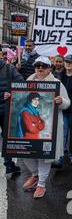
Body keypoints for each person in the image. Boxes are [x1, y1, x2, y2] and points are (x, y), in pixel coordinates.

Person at [17, 56, 70, 198]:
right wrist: (12, 96)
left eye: (44, 66)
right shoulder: (28, 81)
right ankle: (35, 175)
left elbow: (68, 103)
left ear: (49, 68)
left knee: (44, 156)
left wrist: (61, 101)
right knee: (23, 151)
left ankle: (41, 184)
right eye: (37, 65)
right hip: (30, 124)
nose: (40, 68)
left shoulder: (56, 83)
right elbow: (20, 99)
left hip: (49, 126)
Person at [0, 50, 24, 178]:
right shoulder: (9, 68)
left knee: (7, 137)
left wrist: (11, 92)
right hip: (6, 109)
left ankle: (9, 165)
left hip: (5, 109)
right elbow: (21, 84)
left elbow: (21, 84)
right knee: (6, 138)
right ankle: (9, 165)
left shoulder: (10, 68)